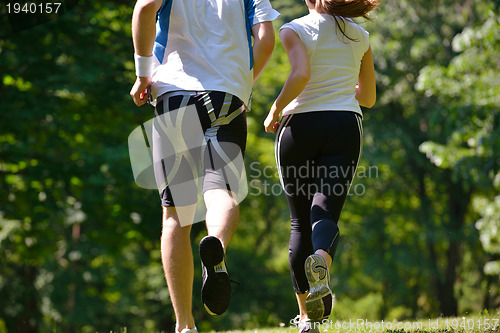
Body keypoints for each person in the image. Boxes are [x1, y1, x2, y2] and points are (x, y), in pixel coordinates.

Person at [129, 0, 279, 332]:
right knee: (221, 190)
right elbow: (266, 37)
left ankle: (185, 325)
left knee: (176, 215)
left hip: (176, 93)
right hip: (228, 95)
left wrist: (143, 74)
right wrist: (244, 80)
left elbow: (144, 9)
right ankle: (217, 247)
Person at [264, 0, 379, 330]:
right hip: (344, 126)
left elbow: (301, 74)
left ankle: (305, 319)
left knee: (299, 222)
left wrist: (275, 110)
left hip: (298, 129)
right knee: (324, 214)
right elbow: (368, 97)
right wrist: (341, 83)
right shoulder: (361, 35)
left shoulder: (293, 29)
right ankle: (322, 261)